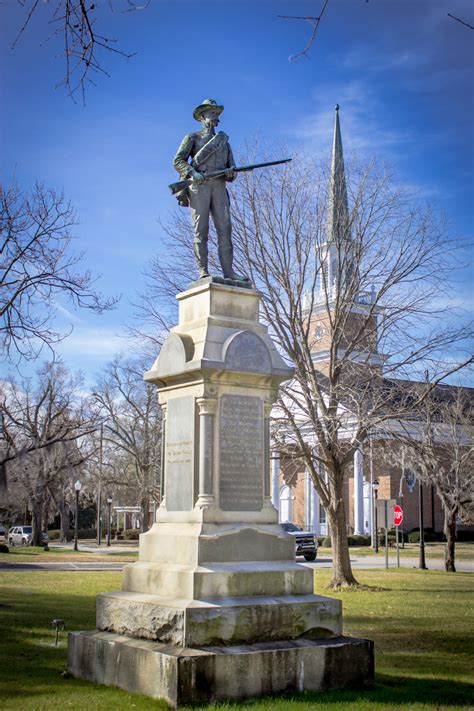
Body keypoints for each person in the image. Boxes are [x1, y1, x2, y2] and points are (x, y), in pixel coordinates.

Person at [173, 99, 247, 281]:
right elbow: (178, 161)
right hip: (199, 187)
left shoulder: (224, 142)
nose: (215, 117)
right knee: (201, 230)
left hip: (219, 186)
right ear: (202, 117)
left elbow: (233, 170)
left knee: (225, 229)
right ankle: (202, 271)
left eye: (216, 113)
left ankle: (229, 272)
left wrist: (231, 173)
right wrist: (192, 172)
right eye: (211, 113)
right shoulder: (193, 138)